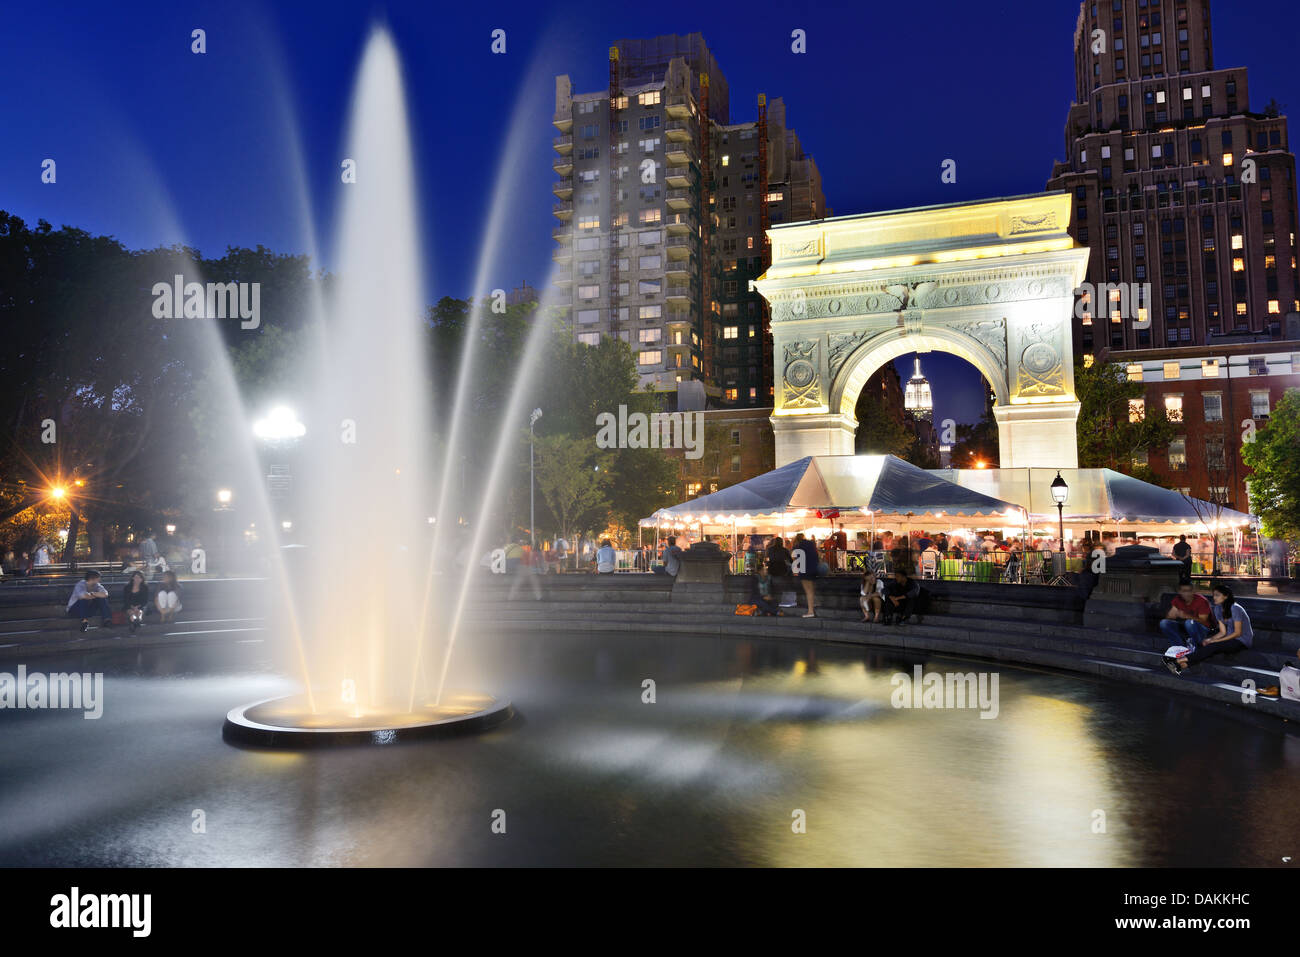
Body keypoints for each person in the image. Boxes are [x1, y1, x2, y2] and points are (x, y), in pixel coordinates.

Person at [1165, 584, 1252, 676]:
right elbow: (1223, 632)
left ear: (1226, 596)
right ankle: (1184, 665)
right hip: (1229, 638)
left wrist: (1216, 641)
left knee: (1214, 646)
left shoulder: (1235, 608)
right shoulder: (1218, 609)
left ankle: (1180, 660)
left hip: (1242, 640)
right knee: (1206, 645)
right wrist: (1211, 639)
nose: (1214, 597)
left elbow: (1238, 633)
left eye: (1217, 595)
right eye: (1213, 595)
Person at [1158, 581, 1213, 650]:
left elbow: (1204, 621)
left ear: (1193, 591)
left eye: (1189, 591)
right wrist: (1170, 615)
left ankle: (1197, 648)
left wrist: (1186, 616)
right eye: (1184, 591)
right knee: (1164, 623)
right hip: (1184, 625)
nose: (1187, 593)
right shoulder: (1177, 599)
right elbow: (1168, 617)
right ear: (1180, 592)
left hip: (1203, 628)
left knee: (1189, 622)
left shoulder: (1202, 601)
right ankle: (1179, 648)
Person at [793, 532, 819, 618]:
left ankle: (810, 611)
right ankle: (813, 604)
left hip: (804, 569)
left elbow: (795, 559)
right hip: (813, 568)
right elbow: (816, 555)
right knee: (812, 589)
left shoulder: (797, 546)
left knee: (808, 591)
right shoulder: (810, 544)